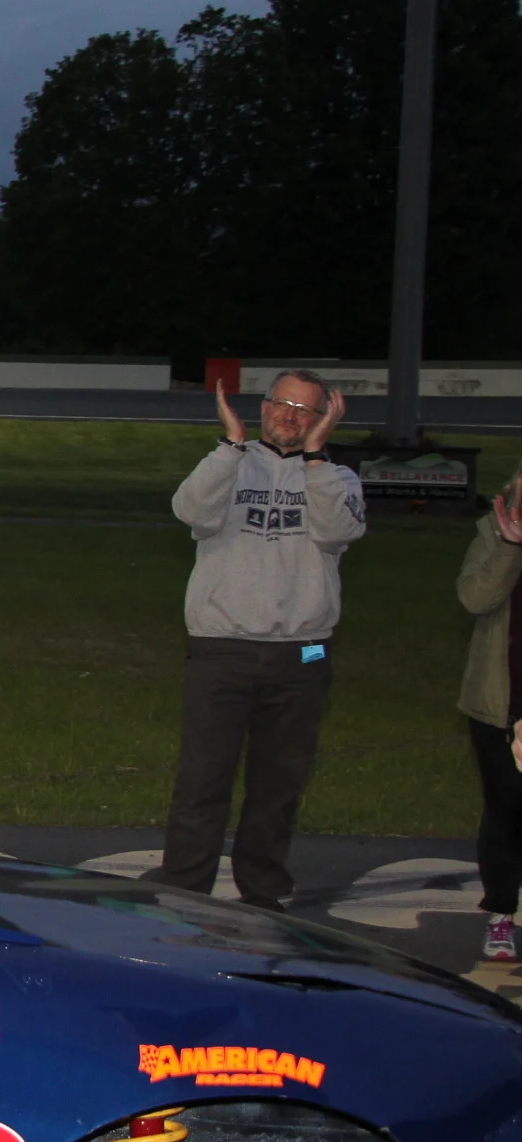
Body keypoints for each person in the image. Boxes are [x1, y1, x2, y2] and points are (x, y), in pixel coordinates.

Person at [159, 370, 363, 910]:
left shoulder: (338, 477)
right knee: (202, 783)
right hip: (221, 648)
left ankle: (264, 891)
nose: (290, 416)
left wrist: (315, 458)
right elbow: (189, 510)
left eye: (306, 410)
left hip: (301, 653)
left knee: (278, 788)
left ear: (325, 419)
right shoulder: (230, 462)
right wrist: (230, 444)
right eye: (282, 404)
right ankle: (183, 891)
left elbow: (338, 531)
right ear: (264, 405)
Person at [456, 467, 522, 960]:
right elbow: (476, 598)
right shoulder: (491, 537)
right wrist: (510, 547)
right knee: (506, 811)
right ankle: (501, 912)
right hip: (501, 703)